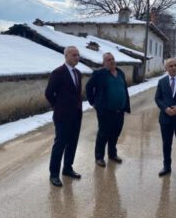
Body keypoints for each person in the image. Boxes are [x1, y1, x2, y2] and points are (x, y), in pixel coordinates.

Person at [45, 46, 83, 187]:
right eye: (74, 55)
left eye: (78, 55)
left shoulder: (78, 73)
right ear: (66, 56)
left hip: (76, 115)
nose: (77, 57)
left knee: (72, 143)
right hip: (62, 116)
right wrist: (58, 107)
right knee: (60, 144)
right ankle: (54, 174)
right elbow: (49, 93)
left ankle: (67, 168)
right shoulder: (58, 73)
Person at [86, 52, 130, 167]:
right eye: (108, 60)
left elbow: (123, 88)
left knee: (115, 133)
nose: (111, 61)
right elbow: (88, 87)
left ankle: (112, 154)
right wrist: (93, 103)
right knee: (103, 133)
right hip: (105, 111)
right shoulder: (99, 74)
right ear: (104, 63)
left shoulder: (120, 73)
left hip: (119, 111)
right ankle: (99, 157)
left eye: (113, 59)